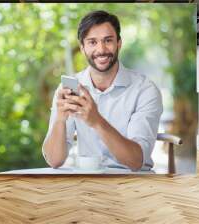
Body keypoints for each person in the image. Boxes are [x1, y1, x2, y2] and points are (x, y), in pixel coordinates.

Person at [42, 10, 163, 171]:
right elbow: (54, 161)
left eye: (108, 40)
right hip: (89, 179)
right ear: (83, 48)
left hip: (133, 181)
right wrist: (60, 120)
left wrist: (96, 121)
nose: (101, 49)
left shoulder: (145, 90)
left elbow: (136, 161)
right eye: (92, 42)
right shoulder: (70, 89)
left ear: (119, 43)